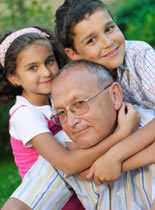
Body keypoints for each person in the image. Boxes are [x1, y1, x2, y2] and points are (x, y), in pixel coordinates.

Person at [0, 27, 136, 210]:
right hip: (52, 202)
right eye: (33, 68)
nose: (46, 72)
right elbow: (68, 164)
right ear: (14, 77)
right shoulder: (24, 114)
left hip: (81, 194)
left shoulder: (58, 101)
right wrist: (121, 134)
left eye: (49, 62)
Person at [55, 0, 155, 182]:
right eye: (91, 40)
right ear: (73, 54)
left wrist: (115, 158)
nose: (108, 42)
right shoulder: (78, 82)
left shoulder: (140, 55)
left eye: (109, 29)